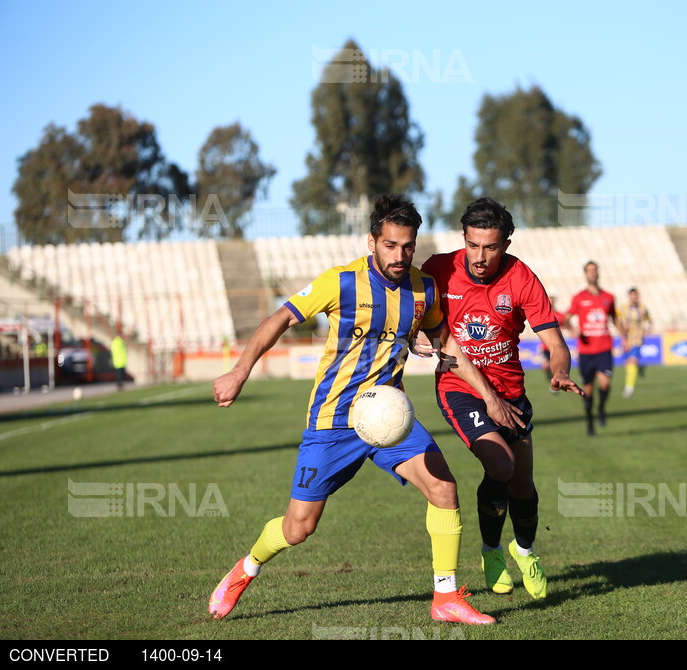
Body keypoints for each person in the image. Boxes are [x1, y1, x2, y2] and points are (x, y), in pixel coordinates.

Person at [208, 194, 516, 625]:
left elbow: (447, 343)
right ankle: (246, 569)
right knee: (299, 528)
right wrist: (240, 370)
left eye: (407, 246)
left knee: (444, 488)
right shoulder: (341, 282)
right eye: (390, 245)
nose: (399, 254)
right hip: (333, 422)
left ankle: (445, 597)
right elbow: (279, 319)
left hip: (390, 416)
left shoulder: (423, 288)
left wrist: (487, 395)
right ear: (373, 241)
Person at [420, 197, 583, 601]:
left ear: (506, 244)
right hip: (460, 389)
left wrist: (560, 370)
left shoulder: (522, 278)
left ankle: (524, 551)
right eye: (473, 245)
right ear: (464, 239)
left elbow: (556, 344)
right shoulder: (438, 269)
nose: (479, 256)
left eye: (490, 247)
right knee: (500, 463)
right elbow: (414, 317)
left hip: (512, 394)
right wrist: (416, 337)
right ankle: (491, 552)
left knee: (523, 486)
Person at [566, 261, 618, 435]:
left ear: (598, 273)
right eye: (589, 271)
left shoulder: (608, 297)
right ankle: (590, 422)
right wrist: (572, 329)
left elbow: (615, 318)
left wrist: (624, 334)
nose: (593, 273)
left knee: (605, 383)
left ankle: (602, 408)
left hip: (604, 348)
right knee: (587, 391)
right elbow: (566, 318)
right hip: (586, 351)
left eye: (595, 270)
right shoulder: (579, 297)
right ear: (585, 274)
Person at [619, 288, 651, 398]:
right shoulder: (623, 308)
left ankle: (629, 389)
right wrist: (623, 333)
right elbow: (619, 322)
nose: (634, 298)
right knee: (627, 363)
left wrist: (647, 329)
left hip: (637, 340)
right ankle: (639, 369)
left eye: (635, 296)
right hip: (626, 340)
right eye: (632, 296)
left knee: (631, 362)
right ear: (629, 296)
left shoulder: (642, 308)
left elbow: (649, 320)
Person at [540, 297, 569, 390]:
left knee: (556, 365)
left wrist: (572, 330)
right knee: (546, 366)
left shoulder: (560, 315)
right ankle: (550, 378)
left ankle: (556, 381)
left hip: (557, 345)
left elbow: (566, 324)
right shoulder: (543, 314)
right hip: (546, 345)